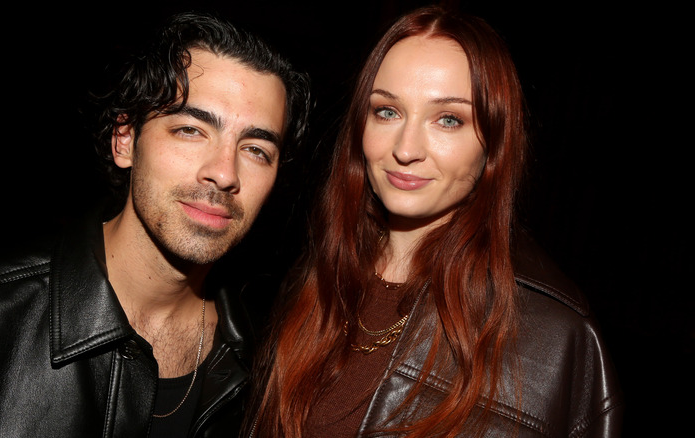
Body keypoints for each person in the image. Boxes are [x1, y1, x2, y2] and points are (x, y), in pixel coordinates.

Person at [0, 12, 309, 438]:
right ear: (125, 140)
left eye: (256, 149)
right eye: (190, 130)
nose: (224, 173)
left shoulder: (272, 360)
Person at [248, 5, 623, 437]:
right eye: (387, 111)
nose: (406, 149)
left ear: (493, 146)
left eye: (448, 119)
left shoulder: (555, 339)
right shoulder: (315, 278)